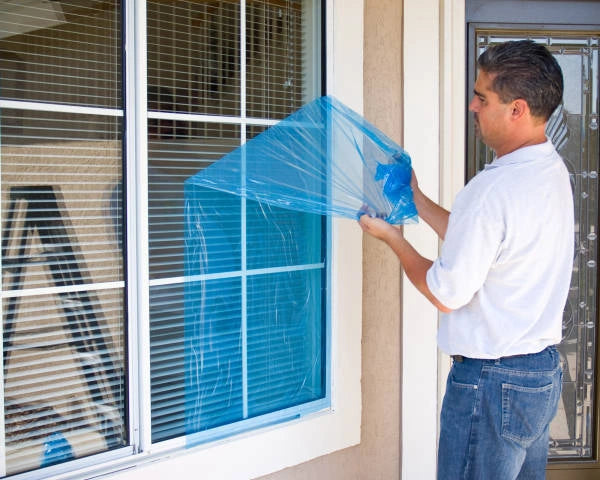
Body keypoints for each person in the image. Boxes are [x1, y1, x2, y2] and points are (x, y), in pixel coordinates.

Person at [359, 40, 573, 480]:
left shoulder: (492, 189)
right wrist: (416, 199)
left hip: (492, 386)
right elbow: (486, 239)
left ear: (516, 109)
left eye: (482, 98)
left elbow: (444, 293)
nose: (473, 107)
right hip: (539, 374)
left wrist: (393, 240)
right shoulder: (549, 169)